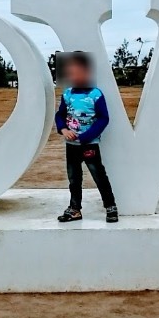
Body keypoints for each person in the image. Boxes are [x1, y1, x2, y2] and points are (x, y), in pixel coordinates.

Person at [54, 52, 118, 223]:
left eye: (77, 72)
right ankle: (75, 209)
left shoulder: (96, 95)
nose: (73, 76)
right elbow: (59, 115)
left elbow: (104, 118)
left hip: (89, 145)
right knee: (74, 179)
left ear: (87, 72)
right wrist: (63, 129)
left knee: (99, 176)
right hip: (71, 146)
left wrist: (86, 136)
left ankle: (110, 206)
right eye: (70, 73)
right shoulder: (67, 94)